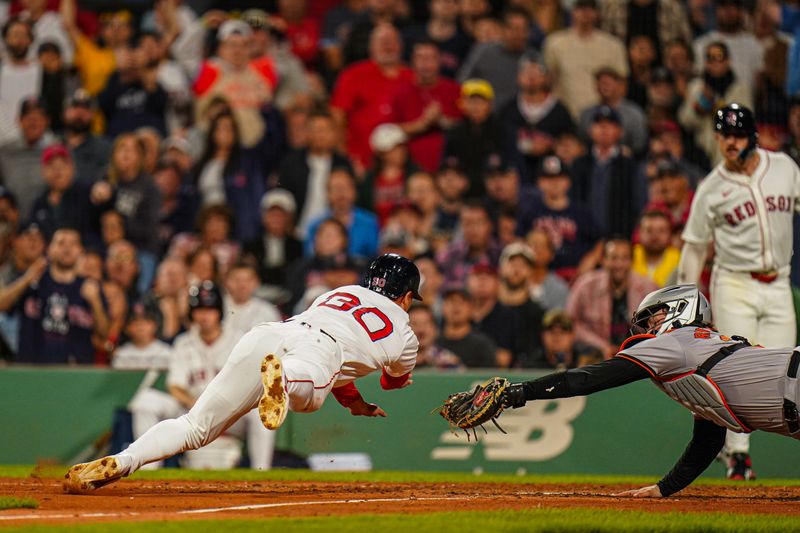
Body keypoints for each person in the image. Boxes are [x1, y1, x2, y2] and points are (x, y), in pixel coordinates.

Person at [64, 253, 421, 491]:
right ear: (406, 296)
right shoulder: (404, 333)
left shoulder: (341, 292)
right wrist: (378, 392)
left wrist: (354, 401)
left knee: (194, 427)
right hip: (315, 355)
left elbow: (344, 368)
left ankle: (126, 460)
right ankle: (281, 379)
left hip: (272, 334)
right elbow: (392, 380)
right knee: (308, 401)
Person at [478, 284, 800, 498]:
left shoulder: (674, 342)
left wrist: (519, 393)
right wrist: (664, 489)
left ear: (680, 311)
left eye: (654, 316)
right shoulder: (698, 353)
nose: (647, 326)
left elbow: (588, 378)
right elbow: (708, 441)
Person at [677, 103, 800, 480]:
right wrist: (686, 296)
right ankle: (738, 457)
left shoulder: (783, 168)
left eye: (738, 134)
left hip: (778, 283)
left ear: (752, 136)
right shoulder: (712, 188)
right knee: (733, 370)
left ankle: (736, 451)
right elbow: (695, 246)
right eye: (724, 134)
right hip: (734, 282)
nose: (730, 142)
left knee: (784, 372)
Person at [0, 226, 108, 365]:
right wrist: (26, 279)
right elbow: (2, 305)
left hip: (76, 373)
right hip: (31, 371)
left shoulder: (90, 287)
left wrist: (95, 302)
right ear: (49, 249)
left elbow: (104, 333)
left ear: (81, 251)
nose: (67, 248)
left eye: (73, 243)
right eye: (61, 242)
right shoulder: (32, 281)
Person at [568, 238, 658, 358]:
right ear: (603, 260)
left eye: (624, 258)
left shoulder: (648, 288)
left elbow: (660, 326)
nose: (619, 264)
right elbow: (570, 323)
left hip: (638, 357)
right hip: (594, 357)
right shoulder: (585, 286)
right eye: (613, 258)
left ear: (632, 261)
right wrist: (601, 346)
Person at [632, 209, 680, 287]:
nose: (655, 236)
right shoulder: (629, 256)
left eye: (661, 231)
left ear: (669, 233)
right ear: (639, 233)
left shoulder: (680, 260)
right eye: (649, 230)